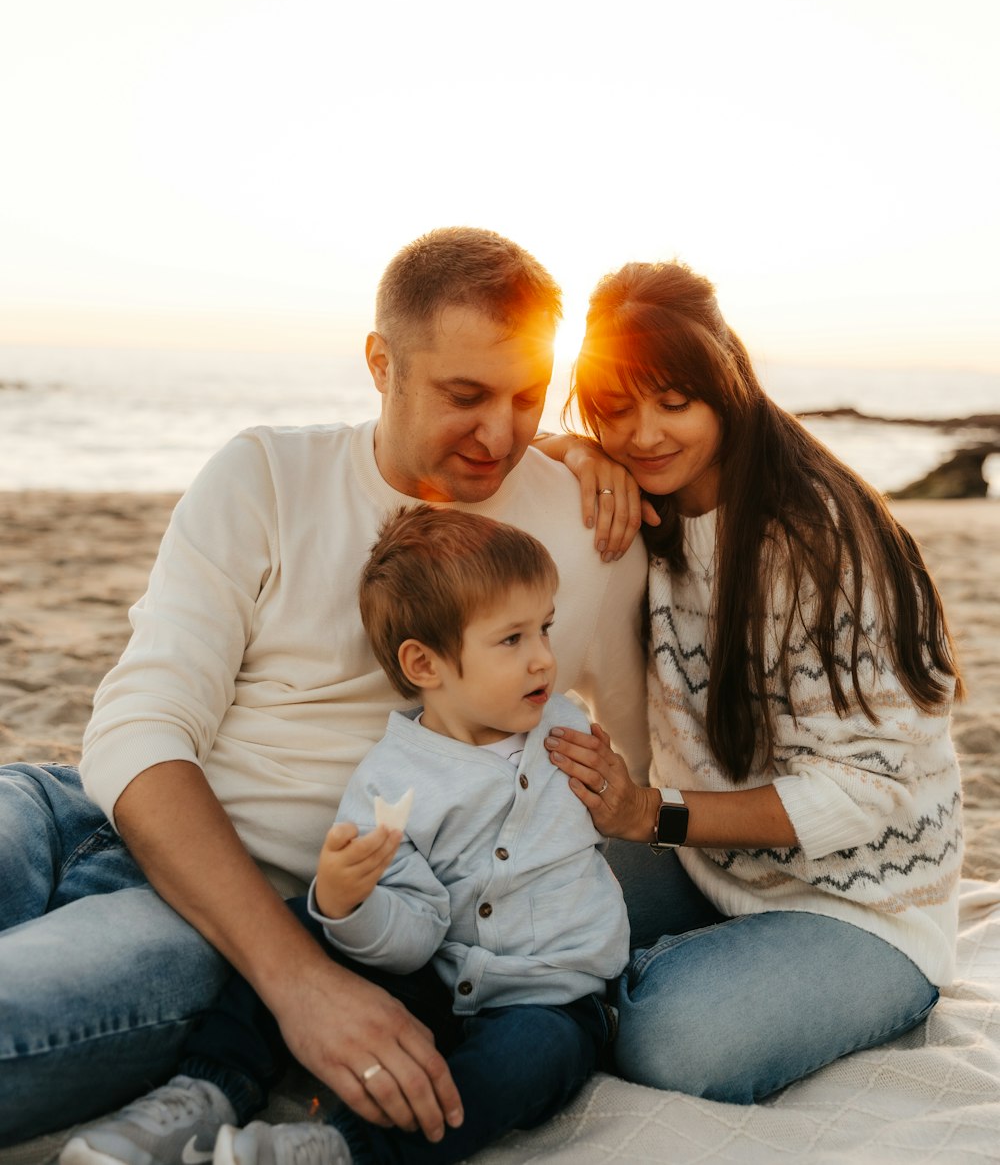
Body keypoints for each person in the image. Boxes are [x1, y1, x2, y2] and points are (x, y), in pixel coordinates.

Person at [0, 228, 649, 1147]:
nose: (501, 434)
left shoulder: (586, 534)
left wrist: (303, 969)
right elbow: (138, 729)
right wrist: (302, 989)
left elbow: (636, 770)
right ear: (381, 363)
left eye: (527, 397)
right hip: (68, 807)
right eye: (464, 395)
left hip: (222, 915)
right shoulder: (264, 473)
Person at [63, 505, 629, 1165]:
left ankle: (339, 1149)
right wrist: (348, 904)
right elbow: (413, 936)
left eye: (546, 630)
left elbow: (617, 813)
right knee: (299, 928)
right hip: (429, 979)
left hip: (553, 996)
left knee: (532, 1059)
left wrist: (617, 791)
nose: (542, 659)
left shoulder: (568, 732)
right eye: (512, 640)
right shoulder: (391, 782)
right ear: (425, 664)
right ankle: (207, 1091)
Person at [537, 259, 965, 1104]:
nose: (646, 433)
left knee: (676, 1042)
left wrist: (649, 813)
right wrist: (567, 453)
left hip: (865, 906)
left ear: (725, 382)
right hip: (708, 868)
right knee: (507, 884)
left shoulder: (815, 540)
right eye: (615, 410)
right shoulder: (651, 507)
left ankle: (628, 987)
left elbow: (866, 790)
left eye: (673, 400)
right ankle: (617, 977)